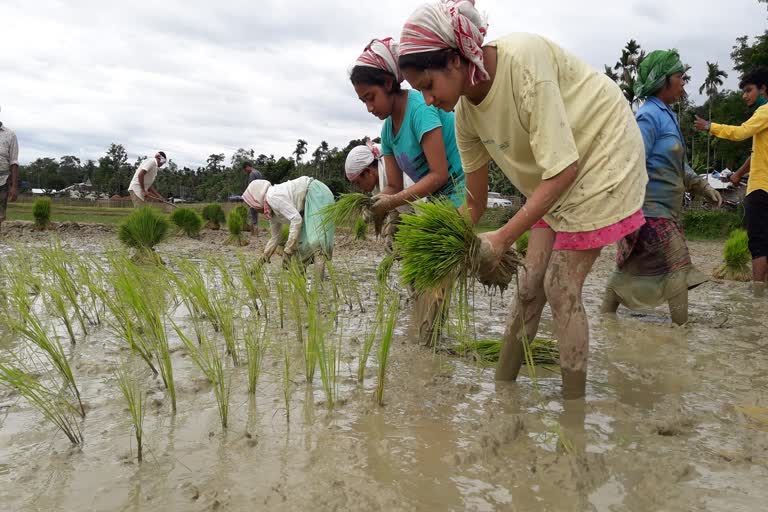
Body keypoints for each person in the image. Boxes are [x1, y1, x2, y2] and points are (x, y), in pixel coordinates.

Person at [397, 0, 648, 399]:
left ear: (457, 59)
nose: (427, 100)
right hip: (555, 172)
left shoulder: (524, 63)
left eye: (428, 85)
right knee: (530, 286)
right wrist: (449, 251)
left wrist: (502, 239)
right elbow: (475, 205)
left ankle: (574, 415)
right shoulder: (464, 116)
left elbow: (566, 169)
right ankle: (504, 391)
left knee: (560, 285)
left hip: (601, 150)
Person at [602, 50, 722, 325]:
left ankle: (605, 320)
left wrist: (702, 186)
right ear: (663, 81)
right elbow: (633, 160)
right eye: (679, 77)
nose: (683, 82)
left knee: (626, 270)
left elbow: (679, 163)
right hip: (650, 212)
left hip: (665, 211)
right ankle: (681, 332)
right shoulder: (648, 117)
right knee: (678, 264)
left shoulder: (668, 116)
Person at [350, 37, 465, 216]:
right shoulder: (387, 132)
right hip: (438, 199)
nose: (369, 108)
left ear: (388, 83)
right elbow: (394, 186)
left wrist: (392, 202)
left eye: (371, 97)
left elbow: (439, 174)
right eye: (364, 101)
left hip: (462, 190)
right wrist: (373, 203)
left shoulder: (420, 110)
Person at [695, 66, 768, 297]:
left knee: (758, 245)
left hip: (761, 188)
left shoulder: (765, 112)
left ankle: (757, 297)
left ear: (763, 88)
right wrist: (737, 173)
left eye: (749, 90)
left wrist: (709, 126)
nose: (744, 95)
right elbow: (758, 151)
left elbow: (739, 133)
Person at [242, 177, 335, 269]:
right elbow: (275, 238)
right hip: (304, 207)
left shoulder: (273, 197)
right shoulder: (271, 211)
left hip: (315, 193)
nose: (255, 210)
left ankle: (319, 284)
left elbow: (296, 219)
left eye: (253, 207)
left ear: (257, 200)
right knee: (300, 252)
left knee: (317, 246)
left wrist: (288, 251)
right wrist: (261, 261)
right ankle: (300, 283)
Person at [344, 140, 418, 251]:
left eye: (358, 182)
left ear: (368, 172)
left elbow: (421, 207)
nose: (360, 188)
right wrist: (390, 233)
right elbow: (395, 207)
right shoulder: (378, 186)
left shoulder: (405, 173)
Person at [0, 106, 19, 231]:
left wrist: (13, 186)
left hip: (3, 179)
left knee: (1, 213)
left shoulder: (10, 135)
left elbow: (14, 162)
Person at [243, 161, 264, 234]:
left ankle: (254, 231)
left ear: (248, 167)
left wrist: (248, 199)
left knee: (252, 214)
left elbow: (251, 187)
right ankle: (255, 230)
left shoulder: (252, 174)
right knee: (255, 213)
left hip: (254, 196)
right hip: (260, 195)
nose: (246, 172)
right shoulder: (258, 173)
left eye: (245, 170)